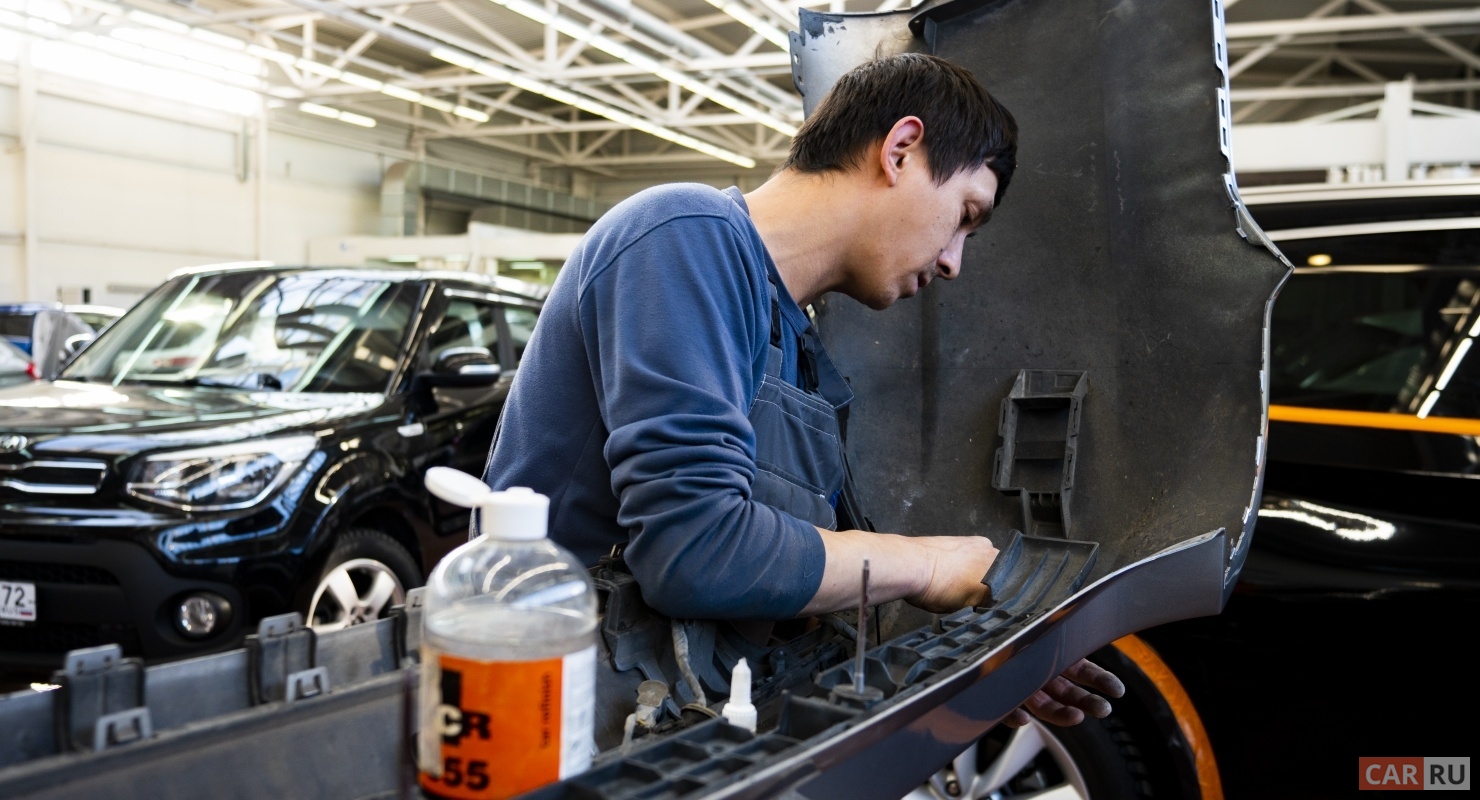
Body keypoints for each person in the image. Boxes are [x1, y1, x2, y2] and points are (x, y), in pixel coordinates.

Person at [484, 53, 1121, 729]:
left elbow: (787, 569)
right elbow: (697, 551)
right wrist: (930, 565)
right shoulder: (683, 234)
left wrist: (966, 658)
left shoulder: (789, 340)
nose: (952, 262)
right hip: (547, 713)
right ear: (901, 150)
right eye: (964, 214)